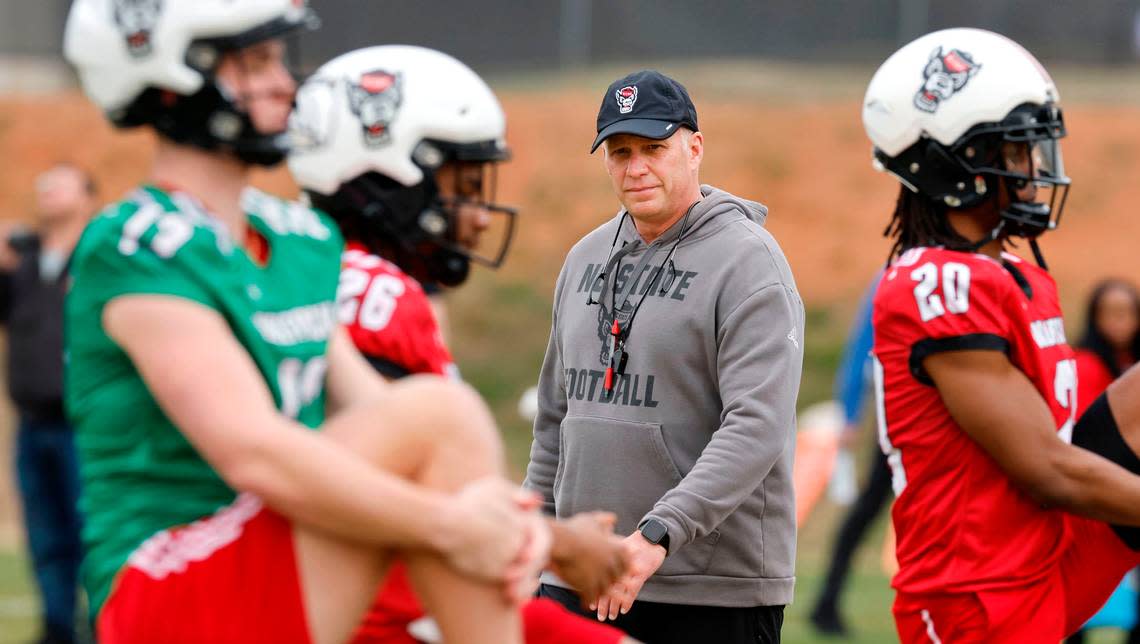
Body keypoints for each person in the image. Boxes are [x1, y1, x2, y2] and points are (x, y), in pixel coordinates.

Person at [63, 3, 549, 643]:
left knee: (442, 414)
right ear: (172, 71)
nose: (284, 85)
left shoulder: (299, 237)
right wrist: (452, 523)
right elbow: (253, 453)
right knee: (440, 413)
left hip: (267, 540)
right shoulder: (133, 244)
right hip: (165, 590)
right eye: (255, 63)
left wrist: (507, 521)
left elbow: (383, 413)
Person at [287, 44, 635, 644]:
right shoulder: (381, 296)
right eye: (464, 186)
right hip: (381, 603)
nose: (477, 216)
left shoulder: (307, 267)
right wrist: (553, 541)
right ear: (396, 179)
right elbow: (405, 496)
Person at [864, 27, 1140, 641]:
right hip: (976, 593)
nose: (1033, 168)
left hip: (1045, 545)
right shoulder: (933, 283)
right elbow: (1045, 468)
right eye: (1014, 151)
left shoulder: (1016, 275)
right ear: (948, 162)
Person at [524, 69, 804, 644]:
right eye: (620, 151)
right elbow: (556, 418)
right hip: (578, 578)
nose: (636, 168)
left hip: (707, 588)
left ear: (694, 148)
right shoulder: (583, 258)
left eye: (654, 148)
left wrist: (658, 535)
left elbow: (756, 426)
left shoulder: (748, 263)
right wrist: (538, 537)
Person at [0, 164, 96, 644]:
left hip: (86, 426)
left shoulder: (100, 258)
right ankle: (57, 628)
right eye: (42, 185)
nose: (47, 192)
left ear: (86, 197)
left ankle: (103, 627)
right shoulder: (25, 266)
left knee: (93, 534)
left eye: (59, 183)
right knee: (46, 536)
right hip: (32, 423)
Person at [809, 275, 894, 637]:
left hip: (930, 422)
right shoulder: (892, 277)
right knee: (869, 507)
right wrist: (850, 412)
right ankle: (826, 602)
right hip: (899, 422)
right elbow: (863, 347)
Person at [1069, 280, 1140, 643]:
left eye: (1127, 313)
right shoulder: (1085, 365)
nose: (1120, 322)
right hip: (1100, 502)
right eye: (1111, 313)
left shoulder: (1130, 364)